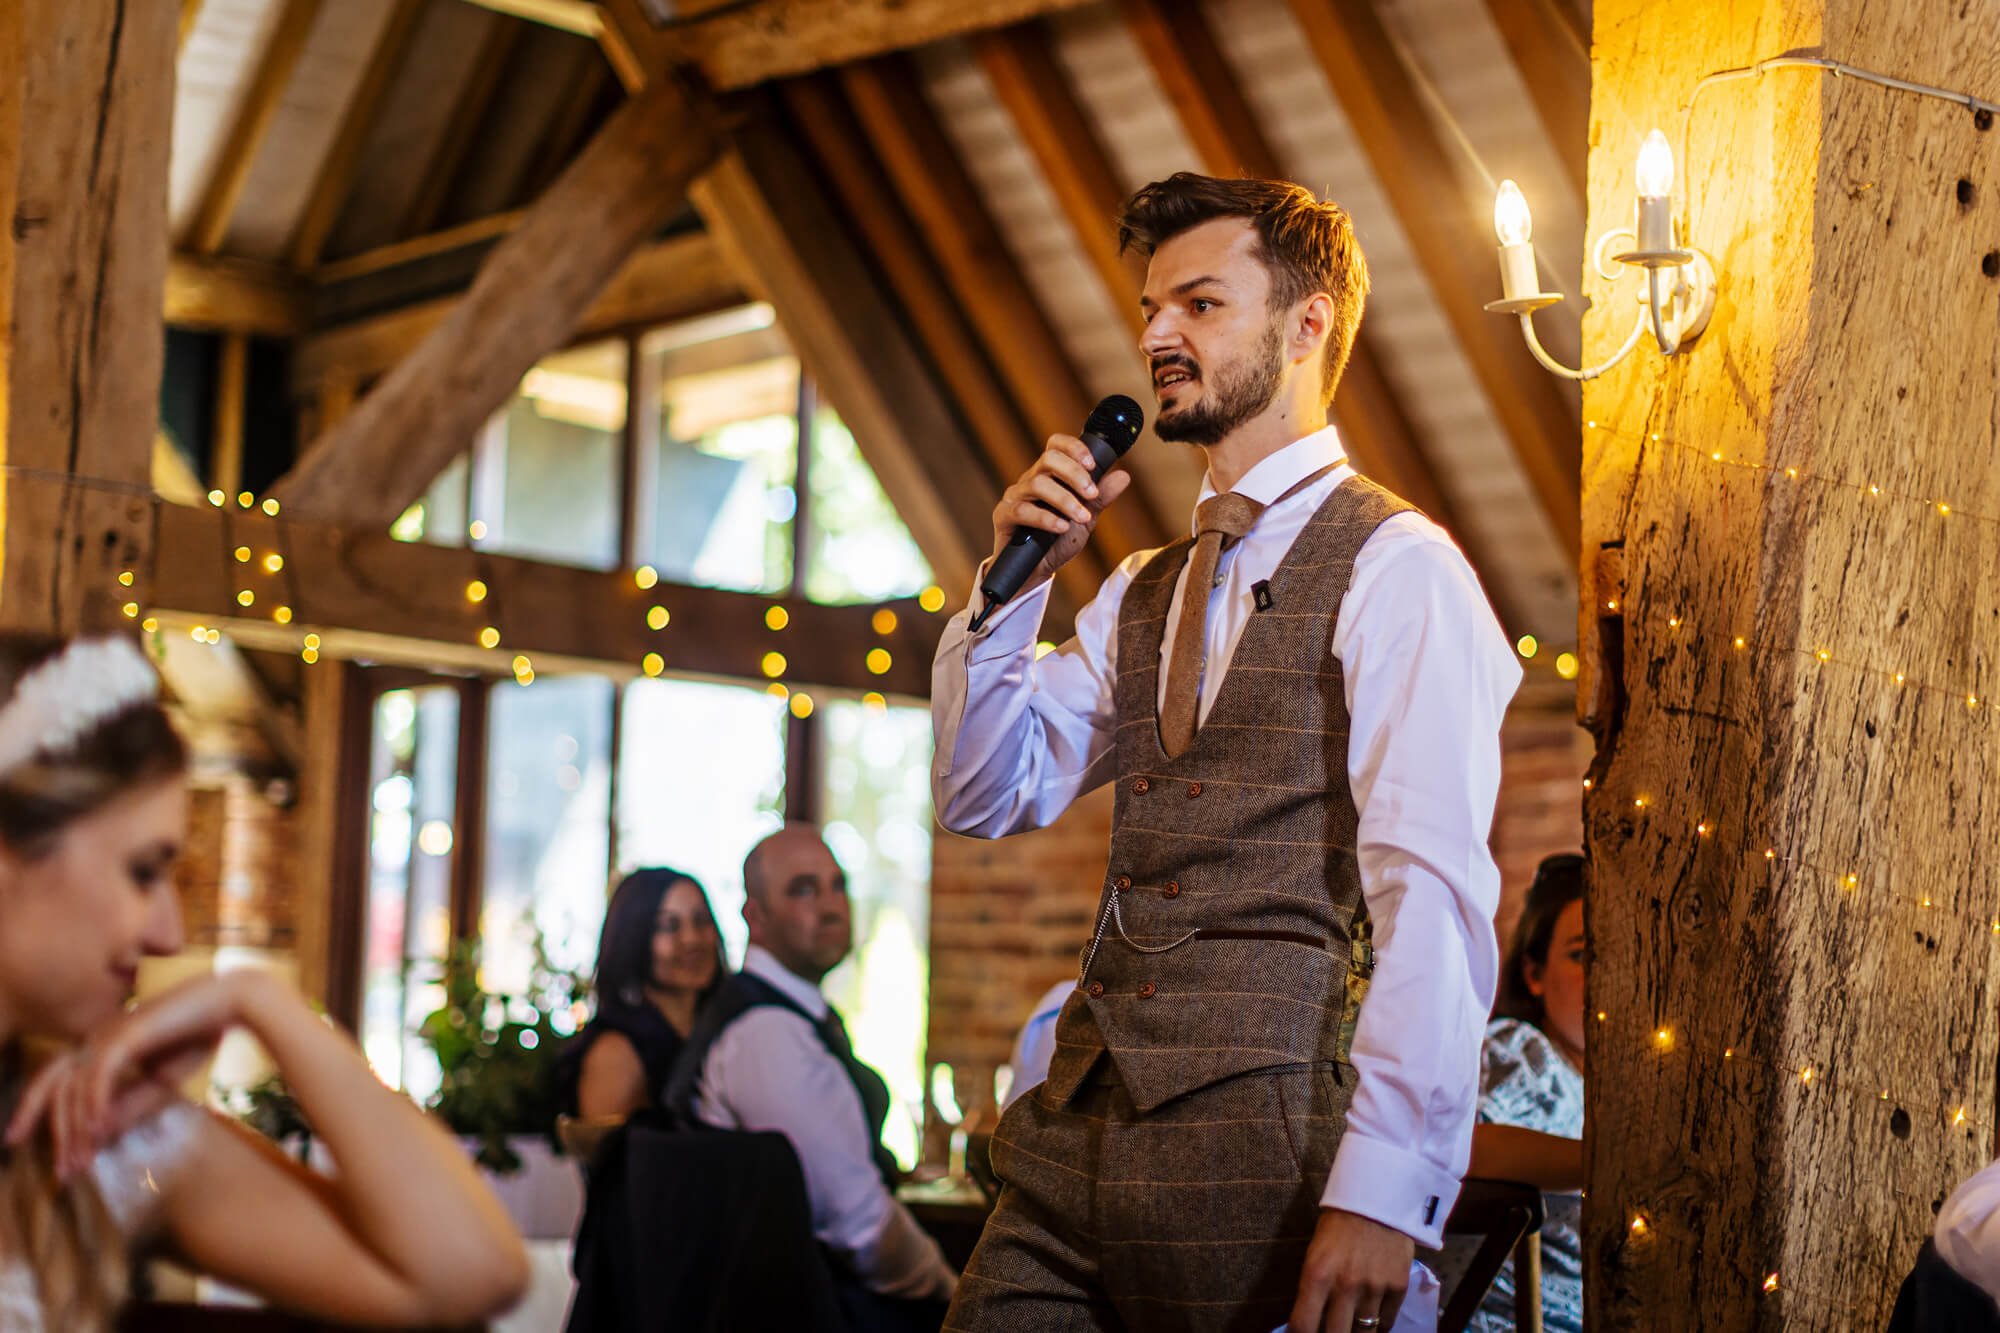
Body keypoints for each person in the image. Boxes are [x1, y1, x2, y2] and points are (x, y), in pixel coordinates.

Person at [931, 172, 1520, 1333]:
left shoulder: (1402, 567)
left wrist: (1383, 1191)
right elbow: (983, 790)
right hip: (1067, 1144)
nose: (1154, 333)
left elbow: (1432, 898)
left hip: (1269, 1148)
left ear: (1306, 325)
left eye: (1198, 303)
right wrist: (1010, 594)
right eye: (1149, 307)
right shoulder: (1145, 585)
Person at [0, 634, 527, 1330]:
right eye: (143, 871)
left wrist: (257, 1002)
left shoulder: (85, 1135)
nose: (169, 935)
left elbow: (473, 1272)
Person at [667, 823, 955, 1330]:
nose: (830, 906)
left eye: (837, 885)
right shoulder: (767, 1034)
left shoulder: (788, 1014)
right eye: (802, 889)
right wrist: (957, 1293)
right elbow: (861, 1227)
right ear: (754, 916)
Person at [1465, 853, 1588, 1333]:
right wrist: (1618, 1168)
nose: (1607, 970)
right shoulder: (1525, 1052)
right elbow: (1462, 1146)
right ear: (1534, 973)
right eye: (1581, 954)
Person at [558, 866, 726, 1121]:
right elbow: (611, 1158)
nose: (691, 939)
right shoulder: (615, 1053)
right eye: (669, 926)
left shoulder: (725, 1031)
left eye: (701, 921)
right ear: (634, 938)